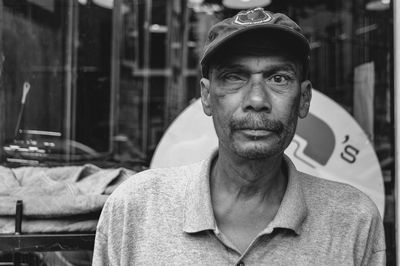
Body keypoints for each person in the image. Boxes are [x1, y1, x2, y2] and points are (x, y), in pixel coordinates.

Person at [92, 7, 386, 265]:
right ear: (206, 97)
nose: (257, 99)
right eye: (234, 77)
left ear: (304, 99)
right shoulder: (136, 208)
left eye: (278, 78)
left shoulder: (353, 220)